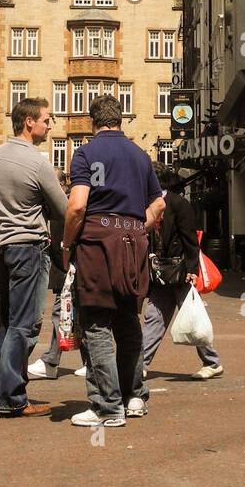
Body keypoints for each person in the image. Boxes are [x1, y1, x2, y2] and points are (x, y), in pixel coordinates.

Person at [63, 95, 165, 428]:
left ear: (93, 121)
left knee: (97, 324)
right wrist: (136, 227)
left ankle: (107, 406)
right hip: (134, 244)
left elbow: (77, 206)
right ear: (120, 119)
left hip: (97, 245)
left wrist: (67, 244)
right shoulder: (140, 156)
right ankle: (134, 396)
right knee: (127, 320)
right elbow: (159, 206)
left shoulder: (86, 154)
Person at [0, 98, 68, 418]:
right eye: (47, 120)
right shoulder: (38, 163)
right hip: (28, 249)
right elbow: (63, 208)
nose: (50, 125)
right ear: (28, 123)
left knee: (3, 326)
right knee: (24, 326)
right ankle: (12, 398)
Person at [142, 162, 223, 380]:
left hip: (179, 271)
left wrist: (192, 269)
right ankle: (140, 363)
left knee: (190, 316)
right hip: (160, 272)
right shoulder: (148, 203)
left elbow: (190, 239)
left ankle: (212, 361)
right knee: (154, 317)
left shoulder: (178, 203)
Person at [28, 207, 87, 379]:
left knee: (63, 311)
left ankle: (52, 361)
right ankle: (87, 361)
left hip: (67, 264)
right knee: (72, 313)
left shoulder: (66, 201)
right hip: (66, 264)